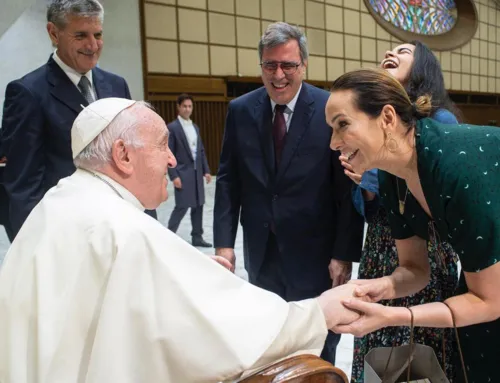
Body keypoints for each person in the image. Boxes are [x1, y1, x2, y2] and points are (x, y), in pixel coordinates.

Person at [0, 98, 362, 382]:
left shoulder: (60, 200)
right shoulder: (125, 228)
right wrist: (316, 313)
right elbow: (219, 327)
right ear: (123, 155)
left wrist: (184, 271)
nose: (172, 158)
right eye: (162, 145)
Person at [326, 67, 500, 383]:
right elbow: (415, 268)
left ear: (388, 118)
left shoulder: (456, 168)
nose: (333, 143)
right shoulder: (395, 175)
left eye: (342, 126)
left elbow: (490, 301)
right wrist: (379, 287)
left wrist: (392, 316)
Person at [213, 21, 365, 365]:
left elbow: (347, 189)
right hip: (262, 253)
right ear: (261, 65)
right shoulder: (240, 111)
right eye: (270, 65)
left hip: (316, 258)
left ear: (304, 65)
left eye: (288, 65)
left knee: (317, 343)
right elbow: (228, 180)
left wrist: (343, 254)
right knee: (268, 341)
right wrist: (224, 244)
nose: (278, 75)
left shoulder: (329, 109)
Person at [341, 41, 459, 382]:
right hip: (380, 246)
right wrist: (363, 182)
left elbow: (439, 194)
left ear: (423, 66)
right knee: (377, 343)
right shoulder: (373, 123)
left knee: (419, 343)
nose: (390, 53)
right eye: (388, 51)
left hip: (427, 246)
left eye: (403, 51)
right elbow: (373, 209)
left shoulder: (440, 120)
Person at [0, 0, 155, 239]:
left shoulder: (117, 85)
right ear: (54, 32)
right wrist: (35, 250)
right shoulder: (28, 93)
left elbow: (132, 159)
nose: (92, 45)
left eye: (98, 34)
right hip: (66, 234)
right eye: (81, 35)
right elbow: (22, 186)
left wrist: (149, 227)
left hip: (121, 228)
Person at [167, 93, 212, 247]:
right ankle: (168, 235)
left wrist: (206, 170)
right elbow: (169, 154)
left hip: (196, 172)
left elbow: (200, 151)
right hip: (182, 173)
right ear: (178, 107)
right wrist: (174, 176)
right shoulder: (172, 128)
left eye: (190, 106)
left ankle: (197, 237)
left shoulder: (195, 127)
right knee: (181, 206)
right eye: (184, 106)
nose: (187, 109)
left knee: (198, 205)